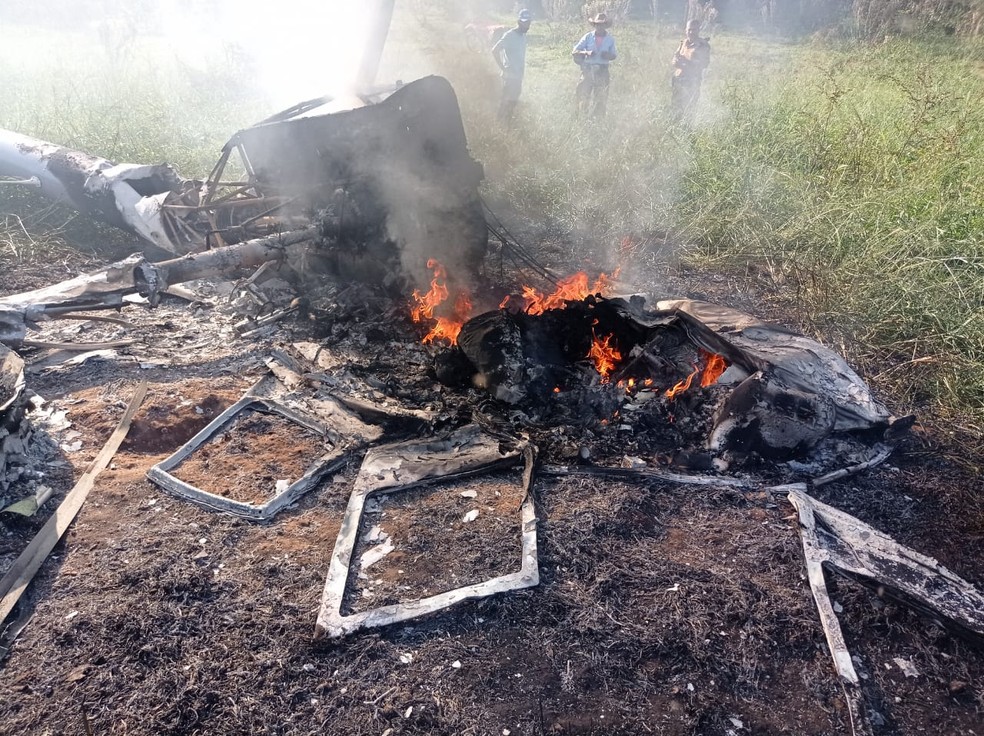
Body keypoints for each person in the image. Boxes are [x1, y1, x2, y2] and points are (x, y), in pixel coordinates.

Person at [572, 12, 617, 118]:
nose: (599, 26)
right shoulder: (588, 37)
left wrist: (608, 55)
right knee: (583, 95)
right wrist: (586, 53)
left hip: (602, 70)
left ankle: (597, 121)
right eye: (597, 24)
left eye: (602, 24)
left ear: (605, 25)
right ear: (595, 25)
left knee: (601, 98)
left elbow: (614, 55)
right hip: (588, 70)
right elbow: (574, 51)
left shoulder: (610, 39)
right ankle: (581, 118)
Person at [491, 9, 532, 123]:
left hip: (518, 76)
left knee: (513, 102)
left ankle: (507, 124)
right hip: (509, 77)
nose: (527, 24)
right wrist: (502, 67)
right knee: (505, 101)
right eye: (524, 21)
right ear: (519, 21)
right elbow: (494, 50)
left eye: (528, 22)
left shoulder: (523, 36)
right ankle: (499, 124)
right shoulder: (509, 35)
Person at [671, 19, 711, 124]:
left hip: (691, 82)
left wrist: (684, 63)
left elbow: (703, 65)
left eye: (694, 30)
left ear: (698, 30)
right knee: (676, 108)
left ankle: (687, 133)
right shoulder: (683, 43)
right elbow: (675, 58)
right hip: (678, 80)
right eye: (689, 30)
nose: (691, 32)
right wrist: (676, 62)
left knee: (689, 109)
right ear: (686, 30)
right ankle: (675, 129)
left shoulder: (703, 45)